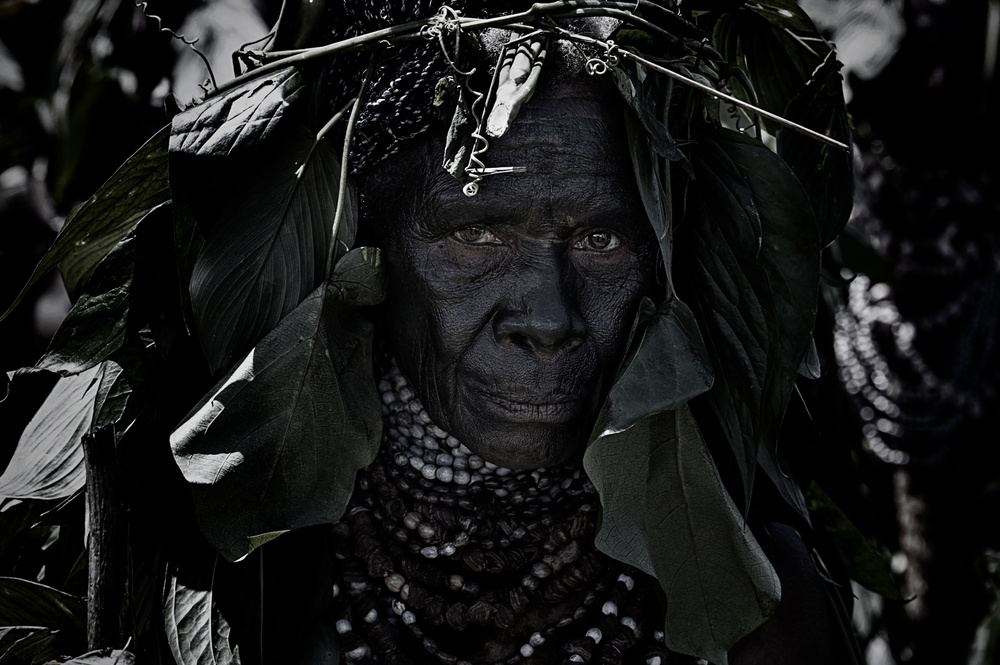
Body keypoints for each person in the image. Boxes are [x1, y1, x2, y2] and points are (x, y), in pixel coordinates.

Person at [0, 1, 863, 663]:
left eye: (601, 240)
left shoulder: (760, 605)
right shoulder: (245, 581)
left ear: (663, 259)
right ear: (366, 255)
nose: (550, 317)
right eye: (476, 235)